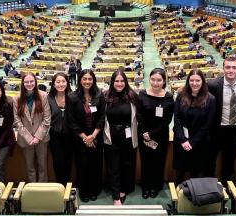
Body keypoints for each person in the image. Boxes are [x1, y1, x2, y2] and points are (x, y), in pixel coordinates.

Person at [206, 56, 236, 183]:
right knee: (210, 161)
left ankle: (227, 187)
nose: (231, 70)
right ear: (223, 68)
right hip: (216, 130)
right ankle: (211, 187)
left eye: (234, 67)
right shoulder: (212, 85)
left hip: (235, 131)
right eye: (228, 67)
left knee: (230, 161)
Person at [68, 69, 105, 202]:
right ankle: (84, 191)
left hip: (96, 137)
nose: (87, 81)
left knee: (95, 165)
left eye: (90, 79)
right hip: (80, 138)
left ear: (93, 80)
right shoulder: (72, 97)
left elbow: (102, 117)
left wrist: (93, 136)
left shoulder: (99, 95)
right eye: (84, 79)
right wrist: (85, 137)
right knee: (82, 165)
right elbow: (71, 120)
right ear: (80, 80)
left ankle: (94, 190)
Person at [137, 68, 174, 199]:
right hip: (144, 134)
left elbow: (167, 120)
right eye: (153, 79)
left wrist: (152, 133)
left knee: (158, 162)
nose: (155, 83)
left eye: (159, 80)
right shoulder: (142, 94)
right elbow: (139, 114)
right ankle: (146, 186)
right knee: (146, 161)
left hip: (160, 135)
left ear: (164, 81)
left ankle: (156, 186)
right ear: (149, 79)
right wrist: (145, 132)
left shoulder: (169, 97)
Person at [103, 70, 139, 206]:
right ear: (112, 82)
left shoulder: (132, 96)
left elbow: (138, 116)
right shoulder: (105, 96)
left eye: (122, 81)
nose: (119, 83)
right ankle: (116, 195)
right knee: (113, 166)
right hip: (111, 136)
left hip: (128, 136)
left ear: (126, 82)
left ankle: (124, 188)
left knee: (127, 164)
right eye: (116, 81)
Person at [173, 69, 215, 183]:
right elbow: (176, 118)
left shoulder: (210, 99)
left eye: (198, 80)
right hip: (181, 141)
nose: (194, 83)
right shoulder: (181, 95)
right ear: (188, 81)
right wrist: (182, 139)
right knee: (179, 172)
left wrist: (192, 142)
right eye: (192, 80)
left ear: (203, 82)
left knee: (195, 173)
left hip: (199, 143)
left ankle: (193, 199)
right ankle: (177, 199)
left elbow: (207, 124)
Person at [13, 73, 51, 182]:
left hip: (42, 138)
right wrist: (29, 138)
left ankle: (42, 189)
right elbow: (17, 121)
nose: (29, 84)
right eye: (26, 82)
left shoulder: (43, 96)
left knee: (42, 166)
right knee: (30, 167)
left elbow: (47, 119)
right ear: (22, 83)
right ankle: (32, 189)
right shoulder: (17, 99)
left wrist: (37, 137)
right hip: (26, 140)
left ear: (35, 82)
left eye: (31, 81)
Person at [48, 72, 74, 185]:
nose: (61, 84)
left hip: (70, 135)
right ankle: (60, 185)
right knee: (58, 161)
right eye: (58, 82)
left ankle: (67, 185)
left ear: (67, 83)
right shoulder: (49, 98)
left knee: (68, 161)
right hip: (55, 135)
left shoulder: (73, 97)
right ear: (53, 84)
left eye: (63, 81)